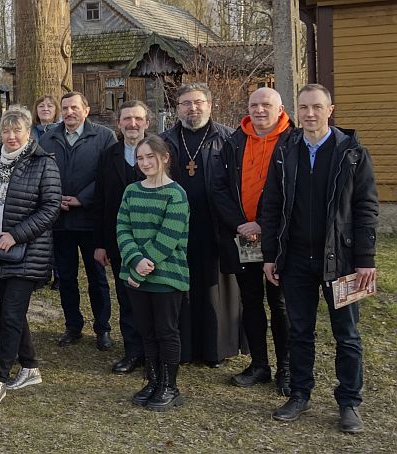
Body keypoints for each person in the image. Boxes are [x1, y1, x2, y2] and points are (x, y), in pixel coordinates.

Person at [262, 84, 378, 434]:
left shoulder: (353, 153)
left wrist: (365, 259)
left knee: (348, 334)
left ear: (331, 110)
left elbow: (366, 208)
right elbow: (271, 205)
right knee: (299, 331)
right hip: (296, 260)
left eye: (317, 107)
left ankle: (349, 403)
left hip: (340, 260)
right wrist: (270, 255)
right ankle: (299, 393)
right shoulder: (285, 150)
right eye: (303, 107)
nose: (309, 113)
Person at [0, 107, 61, 407]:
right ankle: (30, 366)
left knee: (10, 314)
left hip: (27, 251)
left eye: (17, 131)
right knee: (6, 312)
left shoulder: (43, 162)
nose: (11, 137)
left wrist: (17, 235)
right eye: (6, 131)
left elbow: (50, 208)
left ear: (28, 133)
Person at [210, 87, 292, 393]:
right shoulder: (235, 141)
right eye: (254, 105)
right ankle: (260, 364)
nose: (259, 110)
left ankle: (286, 367)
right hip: (244, 236)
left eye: (266, 104)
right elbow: (218, 187)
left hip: (280, 238)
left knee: (280, 303)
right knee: (251, 301)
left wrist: (264, 224)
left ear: (280, 107)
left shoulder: (292, 141)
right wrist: (241, 224)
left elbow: (295, 194)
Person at [159, 83, 242, 367]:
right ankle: (184, 348)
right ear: (177, 108)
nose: (192, 108)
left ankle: (215, 349)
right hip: (176, 227)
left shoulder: (229, 138)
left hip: (215, 225)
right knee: (181, 287)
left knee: (213, 289)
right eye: (185, 103)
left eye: (197, 102)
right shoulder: (165, 139)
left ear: (209, 104)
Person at [116, 135, 190, 412]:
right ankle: (153, 379)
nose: (145, 162)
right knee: (146, 331)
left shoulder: (176, 194)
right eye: (140, 158)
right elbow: (122, 229)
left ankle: (170, 386)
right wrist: (134, 260)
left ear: (164, 158)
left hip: (166, 276)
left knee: (166, 332)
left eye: (150, 157)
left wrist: (143, 268)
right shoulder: (132, 191)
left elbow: (168, 238)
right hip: (135, 274)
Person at [39, 91, 118, 350]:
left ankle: (102, 328)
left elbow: (109, 176)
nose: (69, 112)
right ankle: (73, 325)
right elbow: (41, 172)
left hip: (90, 219)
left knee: (97, 277)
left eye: (74, 107)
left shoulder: (103, 137)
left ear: (86, 110)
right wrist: (54, 197)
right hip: (60, 221)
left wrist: (82, 199)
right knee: (67, 277)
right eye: (65, 108)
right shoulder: (49, 138)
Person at [94, 100, 151, 374]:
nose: (133, 124)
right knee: (126, 296)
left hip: (153, 242)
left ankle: (155, 352)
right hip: (119, 242)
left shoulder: (160, 153)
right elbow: (101, 201)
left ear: (147, 123)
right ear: (119, 124)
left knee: (154, 299)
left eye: (138, 118)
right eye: (127, 118)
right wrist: (100, 243)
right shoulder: (109, 156)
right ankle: (133, 351)